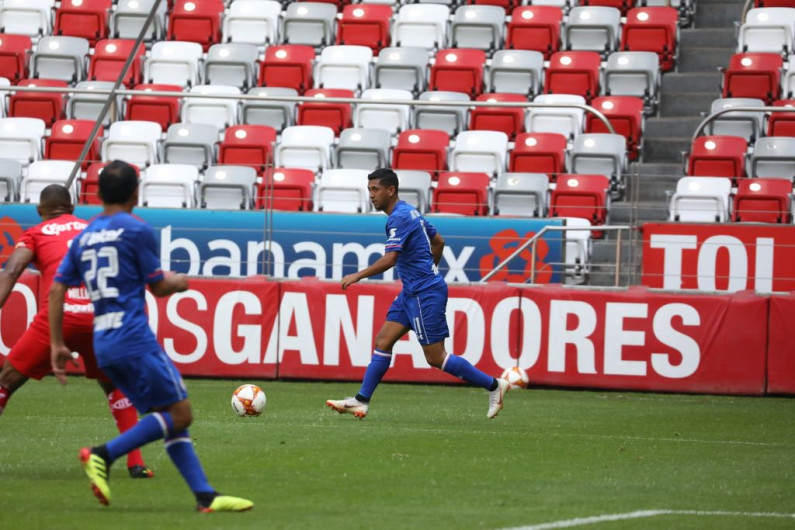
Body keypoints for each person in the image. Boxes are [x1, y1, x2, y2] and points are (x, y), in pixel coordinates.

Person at [49, 160, 253, 513]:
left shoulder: (85, 236)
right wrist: (180, 282)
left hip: (104, 341)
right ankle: (103, 455)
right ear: (134, 193)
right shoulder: (136, 229)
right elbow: (158, 286)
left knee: (169, 414)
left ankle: (205, 496)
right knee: (181, 413)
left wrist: (56, 343)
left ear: (98, 194)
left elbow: (56, 289)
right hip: (133, 338)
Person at [326, 168, 509, 420]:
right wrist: (429, 269)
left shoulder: (399, 217)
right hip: (412, 290)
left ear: (391, 190)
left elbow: (391, 258)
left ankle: (494, 385)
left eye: (375, 189)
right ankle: (361, 401)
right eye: (369, 190)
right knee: (383, 341)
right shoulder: (410, 211)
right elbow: (439, 241)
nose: (371, 195)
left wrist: (358, 275)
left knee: (435, 357)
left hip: (424, 293)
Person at [0, 184, 152, 478]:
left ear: (40, 211)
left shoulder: (36, 233)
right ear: (72, 208)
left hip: (60, 317)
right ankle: (136, 463)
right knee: (115, 387)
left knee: (5, 382)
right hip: (100, 317)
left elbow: (12, 271)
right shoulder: (93, 229)